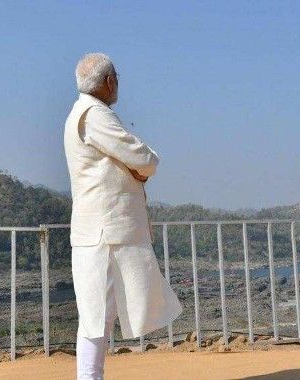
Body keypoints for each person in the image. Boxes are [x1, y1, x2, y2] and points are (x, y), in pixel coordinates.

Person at [64, 53, 182, 379]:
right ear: (109, 81)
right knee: (96, 316)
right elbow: (141, 156)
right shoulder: (94, 114)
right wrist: (142, 168)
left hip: (100, 233)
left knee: (96, 316)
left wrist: (137, 168)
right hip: (105, 234)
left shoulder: (83, 113)